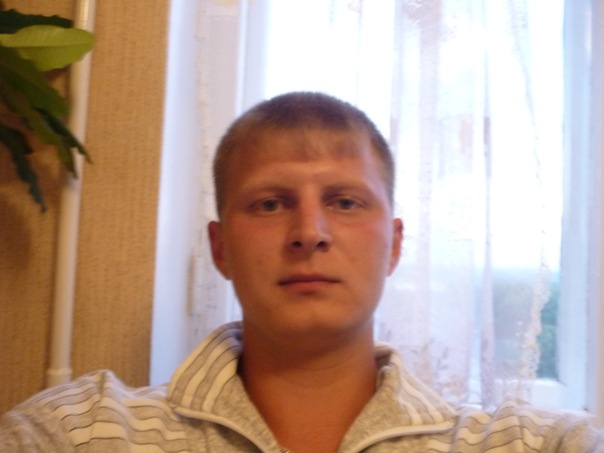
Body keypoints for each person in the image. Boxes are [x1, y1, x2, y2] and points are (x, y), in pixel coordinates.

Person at [0, 92, 602, 452]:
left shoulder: (534, 444)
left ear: (394, 245)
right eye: (269, 203)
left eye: (346, 202)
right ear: (220, 249)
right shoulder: (82, 433)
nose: (310, 232)